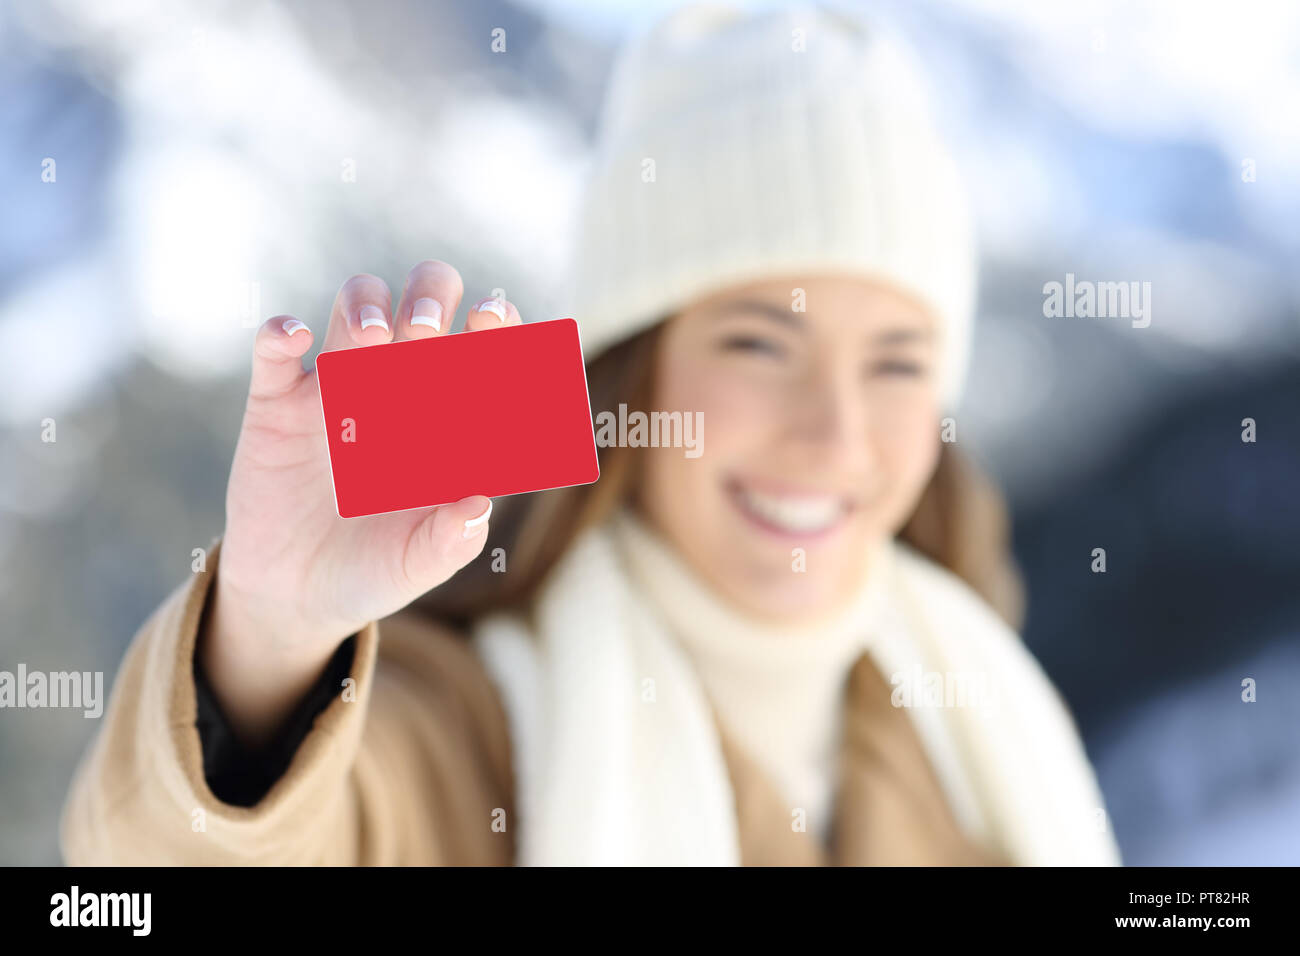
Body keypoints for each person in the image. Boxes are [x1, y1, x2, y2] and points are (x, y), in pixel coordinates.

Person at [60, 2, 1120, 866]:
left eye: (898, 361)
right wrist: (271, 643)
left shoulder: (970, 713)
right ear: (629, 376)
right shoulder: (471, 721)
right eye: (758, 343)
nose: (835, 431)